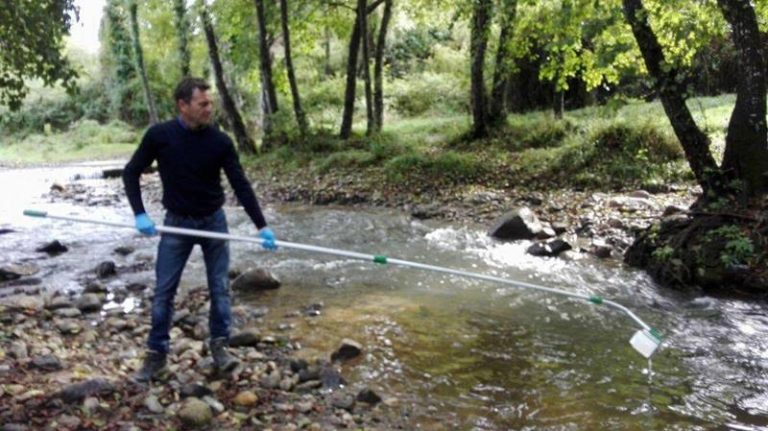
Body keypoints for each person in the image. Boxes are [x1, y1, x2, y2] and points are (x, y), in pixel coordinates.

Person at [123, 77, 277, 383]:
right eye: (202, 103)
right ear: (183, 105)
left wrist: (262, 226)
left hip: (213, 222)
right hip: (177, 223)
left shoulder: (220, 141)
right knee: (164, 291)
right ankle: (156, 356)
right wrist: (140, 214)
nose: (209, 108)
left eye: (210, 103)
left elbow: (240, 184)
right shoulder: (160, 136)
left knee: (220, 288)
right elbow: (131, 172)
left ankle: (220, 347)